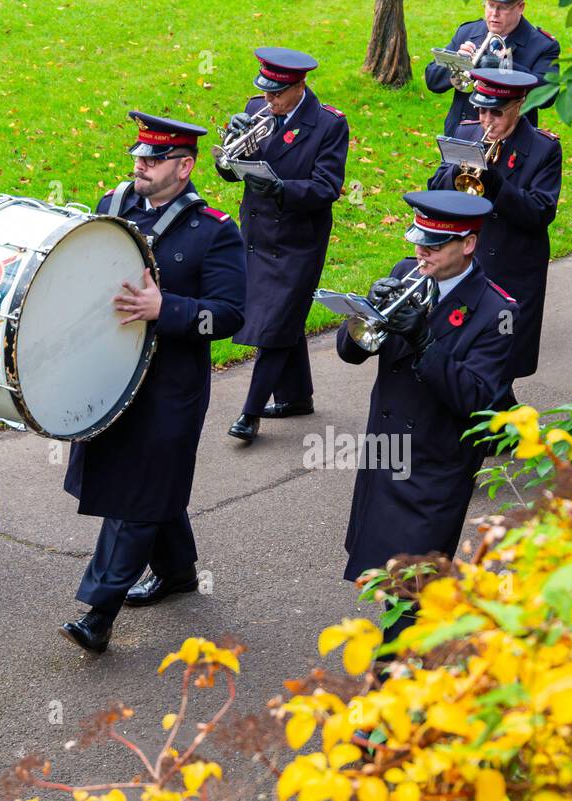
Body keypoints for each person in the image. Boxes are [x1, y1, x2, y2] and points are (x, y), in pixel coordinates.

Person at [60, 113, 246, 654]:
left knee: (136, 494)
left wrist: (168, 308)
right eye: (138, 156)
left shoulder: (214, 231)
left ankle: (99, 612)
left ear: (185, 167)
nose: (139, 164)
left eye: (154, 158)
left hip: (171, 385)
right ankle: (179, 571)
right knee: (151, 484)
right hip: (112, 375)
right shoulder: (112, 210)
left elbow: (231, 315)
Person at [337, 191, 516, 645]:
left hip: (436, 468)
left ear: (468, 245)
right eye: (419, 240)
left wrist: (424, 343)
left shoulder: (498, 313)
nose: (422, 252)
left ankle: (389, 691)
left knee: (412, 590)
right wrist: (363, 314)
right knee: (384, 575)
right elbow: (351, 353)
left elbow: (480, 401)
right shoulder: (405, 273)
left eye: (435, 245)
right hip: (387, 451)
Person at [217, 47, 349, 445]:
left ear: (300, 86)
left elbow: (327, 187)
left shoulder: (328, 125)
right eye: (266, 92)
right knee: (284, 316)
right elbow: (228, 170)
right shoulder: (256, 108)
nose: (269, 100)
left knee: (274, 322)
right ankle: (295, 397)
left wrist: (281, 189)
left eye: (278, 94)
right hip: (258, 233)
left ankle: (250, 412)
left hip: (298, 240)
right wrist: (230, 150)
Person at [428, 68, 560, 391]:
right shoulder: (467, 131)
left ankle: (501, 436)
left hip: (512, 270)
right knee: (460, 361)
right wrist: (456, 174)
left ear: (520, 103)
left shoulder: (544, 149)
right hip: (467, 267)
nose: (487, 120)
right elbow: (434, 186)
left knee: (498, 374)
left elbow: (540, 212)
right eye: (481, 109)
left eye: (496, 112)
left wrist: (497, 187)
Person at [425, 0, 560, 136]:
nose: (494, 14)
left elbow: (548, 95)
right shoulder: (468, 31)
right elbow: (432, 80)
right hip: (461, 134)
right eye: (490, 5)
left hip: (512, 139)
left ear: (520, 7)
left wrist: (505, 68)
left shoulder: (542, 45)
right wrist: (458, 63)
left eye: (503, 7)